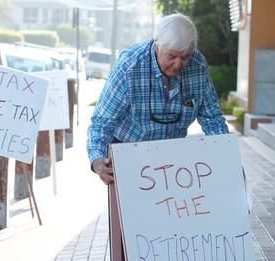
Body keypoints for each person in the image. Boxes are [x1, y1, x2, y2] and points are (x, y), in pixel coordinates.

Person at [87, 13, 229, 184]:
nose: (178, 64)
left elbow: (212, 118)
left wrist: (226, 158)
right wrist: (97, 160)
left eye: (185, 57)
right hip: (128, 151)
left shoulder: (197, 65)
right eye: (171, 56)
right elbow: (102, 122)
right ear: (157, 45)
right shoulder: (129, 67)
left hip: (174, 157)